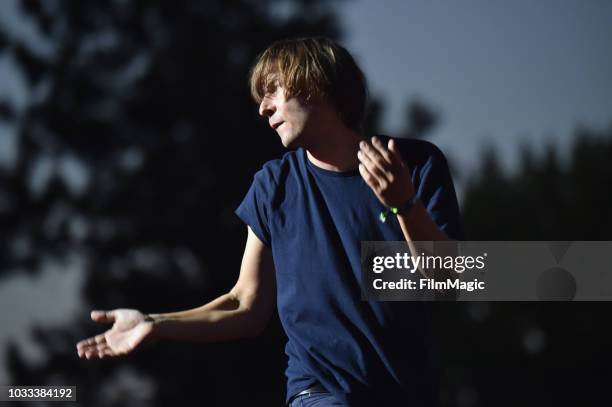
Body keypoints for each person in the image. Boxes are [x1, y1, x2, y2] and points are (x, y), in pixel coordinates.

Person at [76, 37, 463, 406]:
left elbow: (450, 281)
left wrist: (404, 204)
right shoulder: (272, 186)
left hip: (411, 394)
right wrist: (155, 322)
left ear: (318, 84)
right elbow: (245, 303)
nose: (262, 108)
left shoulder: (416, 164)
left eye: (273, 90)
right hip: (318, 393)